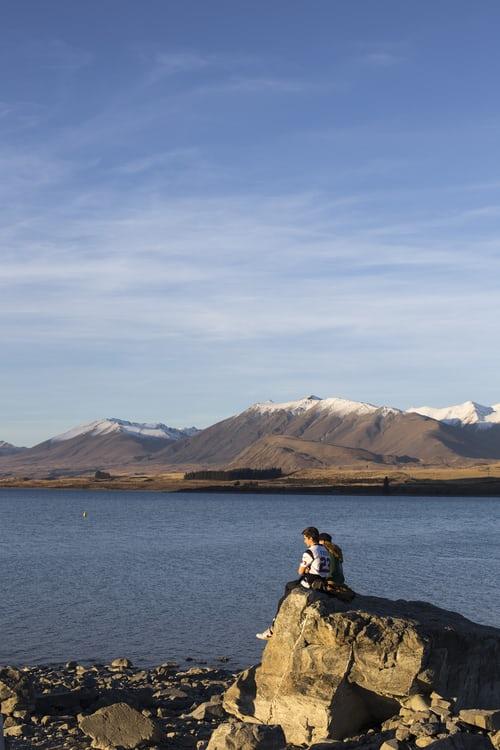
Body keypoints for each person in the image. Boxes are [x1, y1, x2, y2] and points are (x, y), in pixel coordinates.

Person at [256, 526, 330, 640]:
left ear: (310, 538)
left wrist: (306, 569)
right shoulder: (325, 550)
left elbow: (300, 571)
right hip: (323, 581)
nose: (304, 541)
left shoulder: (310, 551)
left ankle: (272, 628)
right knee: (291, 585)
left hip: (311, 582)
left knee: (286, 591)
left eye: (305, 538)